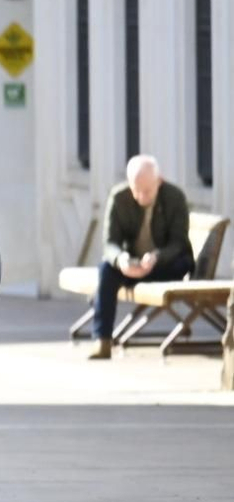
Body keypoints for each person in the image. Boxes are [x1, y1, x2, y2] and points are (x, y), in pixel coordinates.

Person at [89, 154, 192, 360]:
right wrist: (122, 260)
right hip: (133, 264)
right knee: (106, 269)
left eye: (147, 191)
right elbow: (110, 243)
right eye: (136, 190)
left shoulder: (174, 197)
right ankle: (102, 340)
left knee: (182, 260)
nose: (141, 197)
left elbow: (178, 242)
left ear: (159, 181)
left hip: (166, 265)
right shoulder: (119, 198)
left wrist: (156, 257)